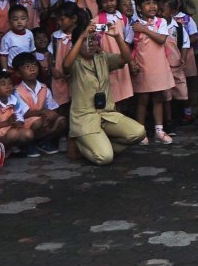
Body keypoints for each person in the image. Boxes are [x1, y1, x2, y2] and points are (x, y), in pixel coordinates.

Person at [63, 18, 146, 165]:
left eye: (93, 39)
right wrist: (82, 36)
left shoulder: (102, 57)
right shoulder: (74, 60)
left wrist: (117, 36)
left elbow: (126, 58)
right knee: (105, 158)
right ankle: (80, 142)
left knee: (139, 133)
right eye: (87, 40)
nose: (91, 43)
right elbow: (65, 65)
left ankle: (101, 143)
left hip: (107, 115)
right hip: (85, 118)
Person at [130, 0, 175, 144]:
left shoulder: (161, 22)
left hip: (159, 67)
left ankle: (159, 130)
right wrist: (131, 62)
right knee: (142, 99)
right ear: (139, 8)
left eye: (154, 3)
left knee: (158, 98)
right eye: (147, 3)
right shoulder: (134, 25)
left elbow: (162, 39)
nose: (152, 6)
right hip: (143, 67)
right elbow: (129, 43)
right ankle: (140, 132)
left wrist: (145, 30)